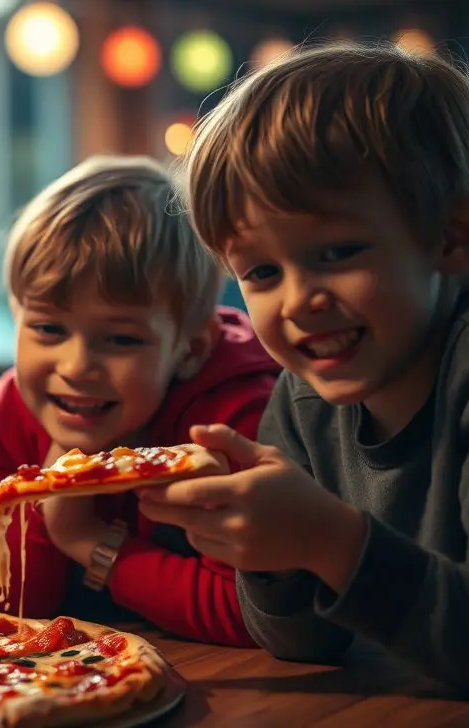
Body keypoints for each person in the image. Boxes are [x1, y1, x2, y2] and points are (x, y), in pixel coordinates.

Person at [139, 42, 469, 688]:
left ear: (450, 237)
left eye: (337, 253)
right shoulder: (300, 400)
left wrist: (331, 542)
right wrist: (273, 553)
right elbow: (299, 644)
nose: (297, 301)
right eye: (261, 272)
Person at [0, 155, 280, 645]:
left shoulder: (231, 423)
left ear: (191, 349)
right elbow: (8, 608)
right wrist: (56, 477)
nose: (76, 367)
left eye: (121, 339)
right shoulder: (12, 408)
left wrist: (85, 539)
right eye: (49, 329)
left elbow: (249, 612)